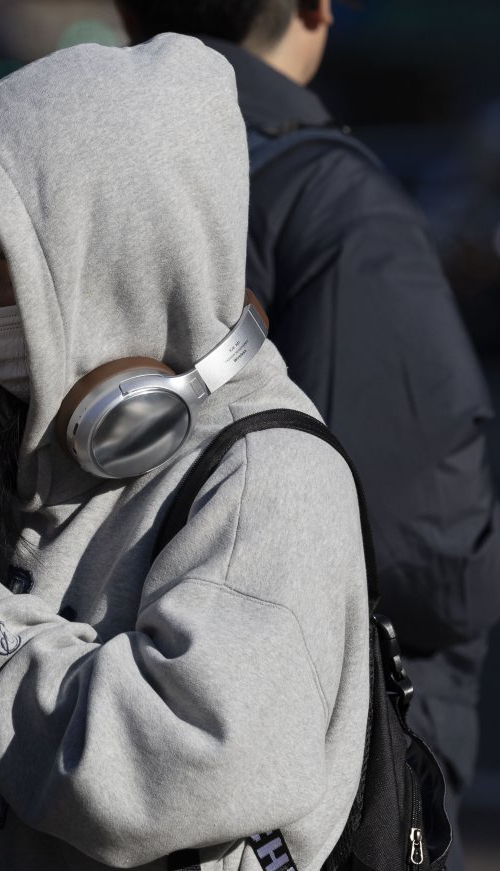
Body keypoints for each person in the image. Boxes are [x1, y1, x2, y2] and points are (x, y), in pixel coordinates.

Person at [0, 35, 370, 870]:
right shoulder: (72, 419)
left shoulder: (271, 480)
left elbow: (182, 764)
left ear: (116, 259)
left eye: (12, 271)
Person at [116, 4, 500, 866]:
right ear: (312, 7)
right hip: (314, 770)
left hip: (95, 722)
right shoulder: (332, 200)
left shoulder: (70, 164)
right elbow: (425, 551)